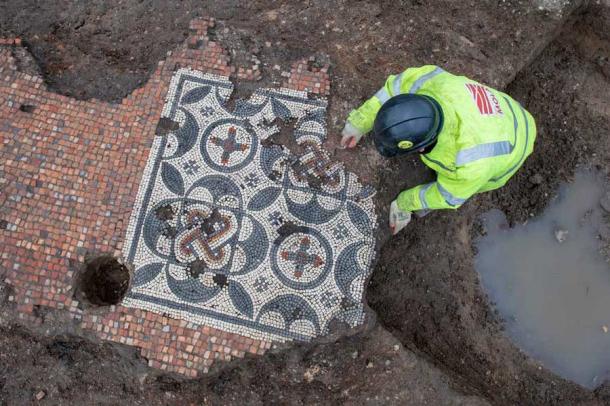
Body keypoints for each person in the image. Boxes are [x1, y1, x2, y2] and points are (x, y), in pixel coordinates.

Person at [341, 65, 536, 235]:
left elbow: (448, 196)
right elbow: (392, 90)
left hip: (516, 145)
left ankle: (423, 208)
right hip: (506, 110)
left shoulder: (468, 164)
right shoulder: (428, 80)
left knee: (463, 187)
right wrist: (359, 122)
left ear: (422, 147)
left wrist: (404, 204)